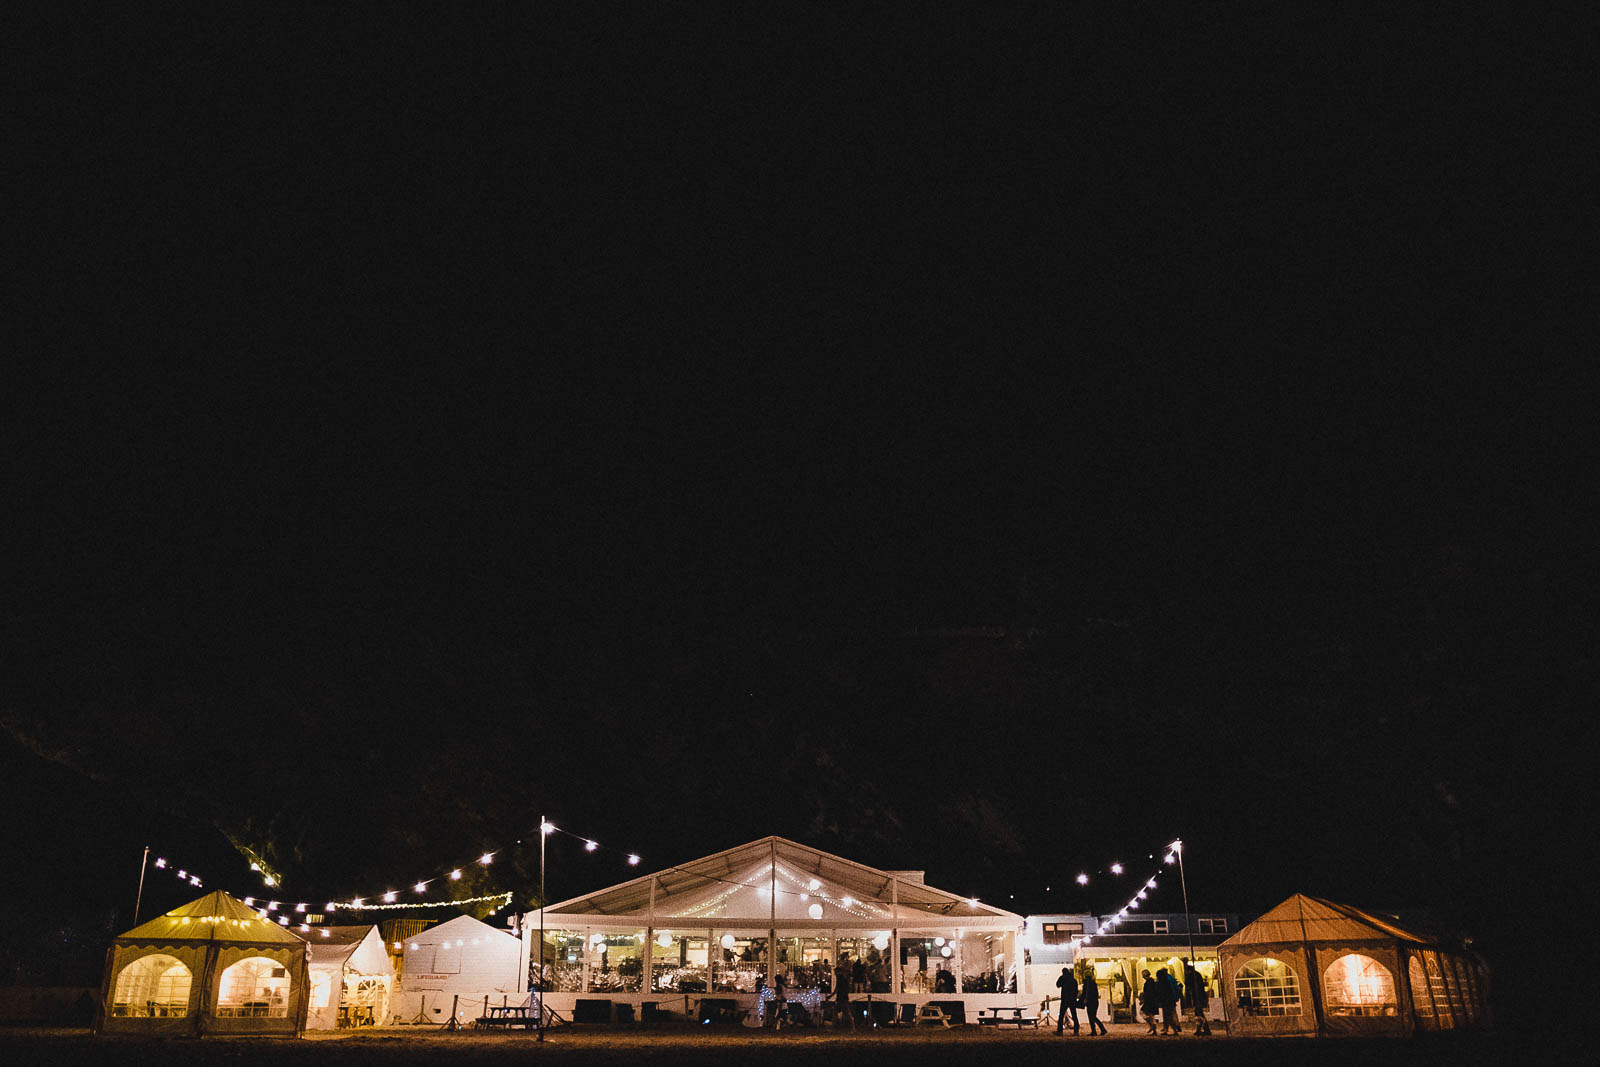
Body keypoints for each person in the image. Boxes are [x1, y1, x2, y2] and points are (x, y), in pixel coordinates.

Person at [1183, 960, 1211, 1035]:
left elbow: (1188, 983)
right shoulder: (1197, 975)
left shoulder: (1193, 976)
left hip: (1197, 996)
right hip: (1199, 995)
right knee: (1199, 1013)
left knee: (1199, 1013)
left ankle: (1203, 1029)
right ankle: (1202, 1029)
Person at [1079, 969, 1107, 1035]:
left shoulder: (1087, 984)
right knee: (1093, 1016)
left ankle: (1098, 1030)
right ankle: (1099, 1030)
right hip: (1095, 1002)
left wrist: (1083, 999)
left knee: (1092, 1017)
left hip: (1090, 1002)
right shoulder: (1093, 983)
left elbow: (1086, 993)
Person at [1054, 967, 1079, 1035]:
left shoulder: (1063, 978)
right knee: (1074, 1015)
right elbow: (1076, 991)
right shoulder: (1074, 980)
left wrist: (1061, 977)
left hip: (1065, 999)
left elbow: (1058, 985)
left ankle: (1060, 1031)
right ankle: (1076, 1031)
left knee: (1061, 1015)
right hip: (1072, 1000)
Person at [1156, 967, 1180, 1034]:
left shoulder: (1162, 983)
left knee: (1168, 1016)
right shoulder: (1169, 979)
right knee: (1170, 1015)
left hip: (1166, 1001)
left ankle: (1174, 1029)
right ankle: (1169, 1029)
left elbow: (1161, 993)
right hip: (1171, 1000)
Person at [834, 955, 854, 1029]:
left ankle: (852, 1026)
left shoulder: (840, 978)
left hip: (841, 997)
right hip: (843, 996)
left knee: (845, 1012)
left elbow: (837, 988)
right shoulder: (844, 978)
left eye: (835, 972)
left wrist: (831, 995)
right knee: (844, 1012)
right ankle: (839, 1025)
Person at [1139, 968, 1160, 1034]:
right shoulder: (1151, 982)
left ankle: (1153, 1027)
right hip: (1152, 1001)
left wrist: (1143, 999)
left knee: (1147, 1014)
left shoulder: (1149, 982)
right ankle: (1153, 1028)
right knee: (1150, 1015)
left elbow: (1148, 993)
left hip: (1150, 1001)